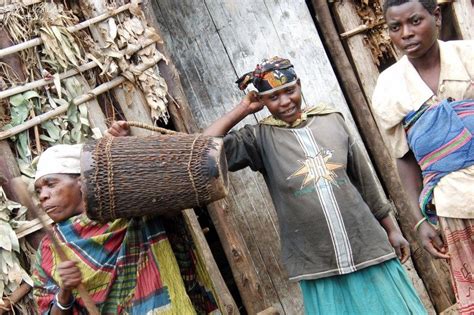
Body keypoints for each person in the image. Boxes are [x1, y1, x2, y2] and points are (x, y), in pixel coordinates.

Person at [109, 56, 426, 314]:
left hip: (366, 244)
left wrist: (391, 227)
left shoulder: (331, 119)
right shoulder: (258, 138)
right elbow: (201, 150)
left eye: (289, 90)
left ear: (299, 85)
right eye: (273, 97)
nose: (285, 101)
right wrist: (243, 110)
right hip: (316, 259)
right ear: (261, 100)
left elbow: (364, 181)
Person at [31, 144, 218, 314]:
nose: (43, 196)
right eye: (38, 191)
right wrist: (64, 293)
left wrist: (241, 110)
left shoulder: (128, 208)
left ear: (80, 181)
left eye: (51, 184)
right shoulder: (50, 251)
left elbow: (192, 165)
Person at [371, 0, 473, 313]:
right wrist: (418, 222)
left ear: (436, 15)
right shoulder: (390, 86)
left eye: (415, 21)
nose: (406, 33)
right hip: (453, 204)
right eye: (395, 27)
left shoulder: (468, 56)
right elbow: (404, 159)